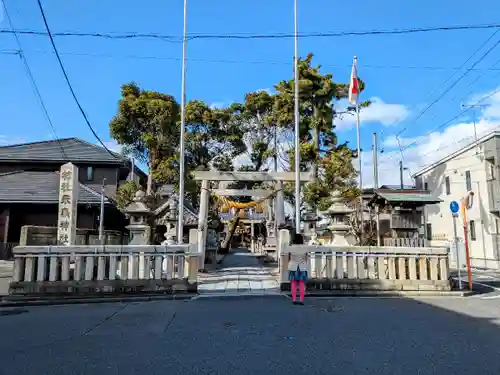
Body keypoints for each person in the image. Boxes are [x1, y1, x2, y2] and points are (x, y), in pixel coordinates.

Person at [288, 233, 308, 305]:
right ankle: (301, 300)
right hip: (302, 267)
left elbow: (290, 257)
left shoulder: (291, 248)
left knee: (293, 284)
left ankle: (294, 299)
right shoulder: (304, 248)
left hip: (293, 267)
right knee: (302, 284)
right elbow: (306, 258)